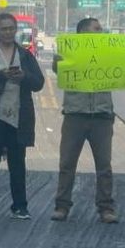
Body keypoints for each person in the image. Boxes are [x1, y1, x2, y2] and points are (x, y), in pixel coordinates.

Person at [0, 12, 45, 220]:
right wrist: (0, 75)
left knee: (17, 163)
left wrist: (24, 77)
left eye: (11, 29)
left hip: (18, 115)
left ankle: (20, 206)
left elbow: (39, 83)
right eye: (3, 29)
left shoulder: (24, 55)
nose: (8, 33)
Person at [50, 17, 119, 224]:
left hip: (102, 115)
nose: (101, 31)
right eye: (97, 29)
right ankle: (62, 206)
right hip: (75, 114)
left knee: (104, 166)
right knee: (67, 163)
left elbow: (124, 68)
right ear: (83, 33)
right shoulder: (68, 52)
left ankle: (106, 207)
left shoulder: (108, 53)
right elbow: (58, 68)